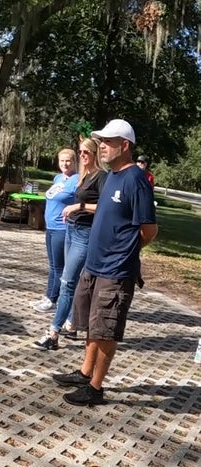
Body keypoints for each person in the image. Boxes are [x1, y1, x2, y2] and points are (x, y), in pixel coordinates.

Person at [52, 119, 157, 406]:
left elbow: (149, 229)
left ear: (125, 146)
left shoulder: (135, 180)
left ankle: (95, 389)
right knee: (91, 323)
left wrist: (126, 252)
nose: (102, 146)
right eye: (101, 141)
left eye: (108, 142)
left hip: (115, 270)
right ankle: (85, 372)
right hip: (95, 265)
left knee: (106, 328)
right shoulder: (112, 176)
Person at [33, 138, 106, 350]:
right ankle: (72, 324)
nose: (83, 155)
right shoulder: (84, 176)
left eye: (86, 153)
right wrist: (71, 212)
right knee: (70, 280)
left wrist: (78, 206)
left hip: (84, 234)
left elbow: (103, 206)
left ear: (95, 155)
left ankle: (53, 333)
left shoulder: (101, 176)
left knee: (67, 282)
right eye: (81, 152)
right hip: (72, 230)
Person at [29, 149, 78, 315]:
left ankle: (53, 300)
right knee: (52, 266)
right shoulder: (58, 178)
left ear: (74, 162)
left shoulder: (76, 180)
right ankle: (48, 296)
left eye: (68, 161)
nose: (65, 164)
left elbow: (81, 201)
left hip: (61, 229)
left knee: (59, 267)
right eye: (62, 161)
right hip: (50, 227)